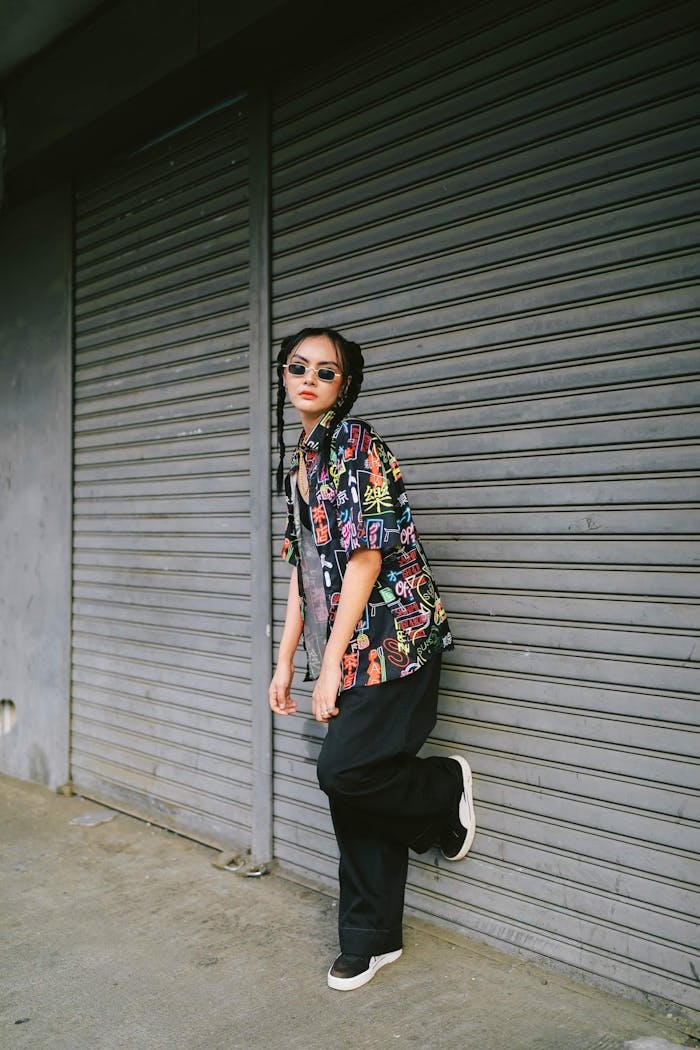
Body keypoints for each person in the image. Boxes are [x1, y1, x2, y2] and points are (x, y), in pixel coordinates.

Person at [268, 326, 475, 991]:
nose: (309, 378)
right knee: (354, 796)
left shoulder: (356, 446)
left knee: (345, 772)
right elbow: (305, 572)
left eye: (326, 372)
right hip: (345, 651)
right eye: (297, 366)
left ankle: (443, 788)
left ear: (345, 385)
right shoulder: (300, 465)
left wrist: (329, 664)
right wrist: (285, 660)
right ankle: (371, 937)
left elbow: (363, 557)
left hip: (395, 642)